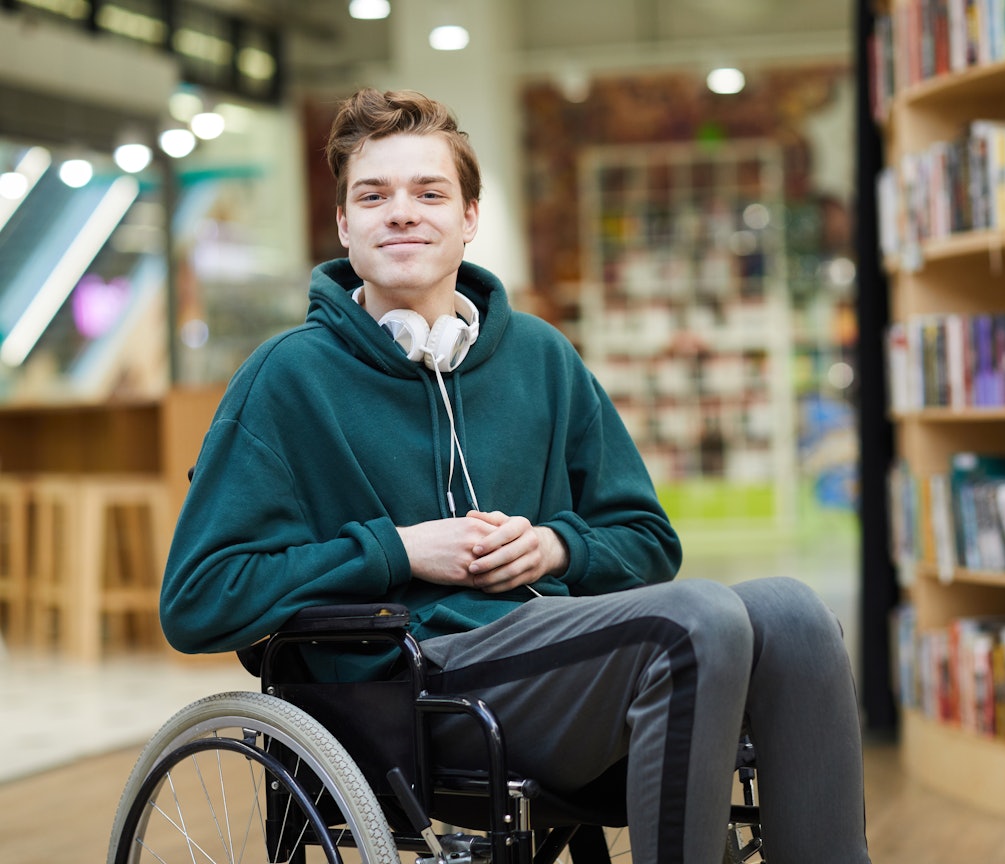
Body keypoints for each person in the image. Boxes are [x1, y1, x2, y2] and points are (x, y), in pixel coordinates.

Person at [159, 87, 872, 864]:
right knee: (695, 619)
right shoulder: (286, 378)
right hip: (415, 689)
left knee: (795, 615)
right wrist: (400, 551)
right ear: (343, 225)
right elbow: (198, 599)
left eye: (430, 192)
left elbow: (646, 540)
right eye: (373, 196)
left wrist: (555, 551)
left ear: (469, 218)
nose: (401, 213)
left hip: (556, 659)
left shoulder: (541, 357)